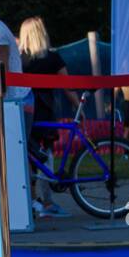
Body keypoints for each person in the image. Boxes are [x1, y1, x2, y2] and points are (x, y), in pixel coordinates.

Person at [18, 16, 79, 219]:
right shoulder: (53, 58)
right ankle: (48, 201)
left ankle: (32, 201)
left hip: (25, 112)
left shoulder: (20, 60)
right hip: (46, 111)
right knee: (46, 155)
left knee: (27, 156)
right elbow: (67, 85)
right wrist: (78, 104)